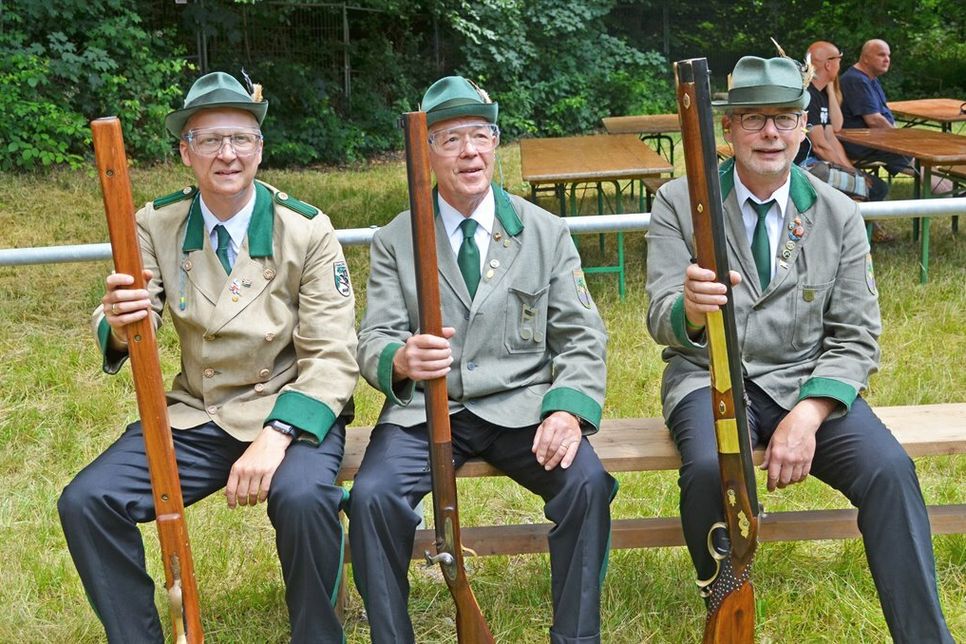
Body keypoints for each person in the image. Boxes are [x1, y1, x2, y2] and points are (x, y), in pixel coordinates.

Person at [645, 56, 953, 643]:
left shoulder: (837, 213)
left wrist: (808, 416)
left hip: (806, 382)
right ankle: (725, 608)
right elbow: (660, 318)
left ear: (804, 124)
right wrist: (687, 307)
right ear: (729, 130)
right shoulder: (681, 204)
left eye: (785, 119)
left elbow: (856, 336)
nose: (770, 134)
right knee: (710, 470)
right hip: (710, 376)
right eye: (754, 119)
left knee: (890, 472)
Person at [58, 71, 359, 643]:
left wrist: (276, 436)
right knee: (87, 501)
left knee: (304, 499)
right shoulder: (154, 221)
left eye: (241, 139)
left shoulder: (307, 229)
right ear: (185, 153)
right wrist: (121, 323)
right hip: (200, 412)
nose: (228, 154)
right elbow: (129, 306)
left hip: (289, 409)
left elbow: (334, 353)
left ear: (260, 150)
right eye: (209, 140)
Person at [348, 76, 616, 644]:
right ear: (426, 152)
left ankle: (575, 637)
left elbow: (582, 335)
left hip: (522, 409)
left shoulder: (543, 231)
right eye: (450, 139)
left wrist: (566, 411)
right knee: (372, 499)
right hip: (425, 411)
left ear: (495, 144)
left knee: (587, 484)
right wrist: (401, 359)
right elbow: (373, 339)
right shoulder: (398, 238)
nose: (470, 151)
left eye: (481, 135)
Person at [840, 39, 951, 194]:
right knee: (921, 159)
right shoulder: (856, 80)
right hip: (865, 144)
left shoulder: (870, 78)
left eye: (888, 55)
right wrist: (901, 140)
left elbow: (881, 117)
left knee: (926, 148)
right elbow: (874, 121)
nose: (887, 59)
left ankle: (952, 192)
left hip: (877, 140)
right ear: (865, 58)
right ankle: (954, 196)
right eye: (881, 55)